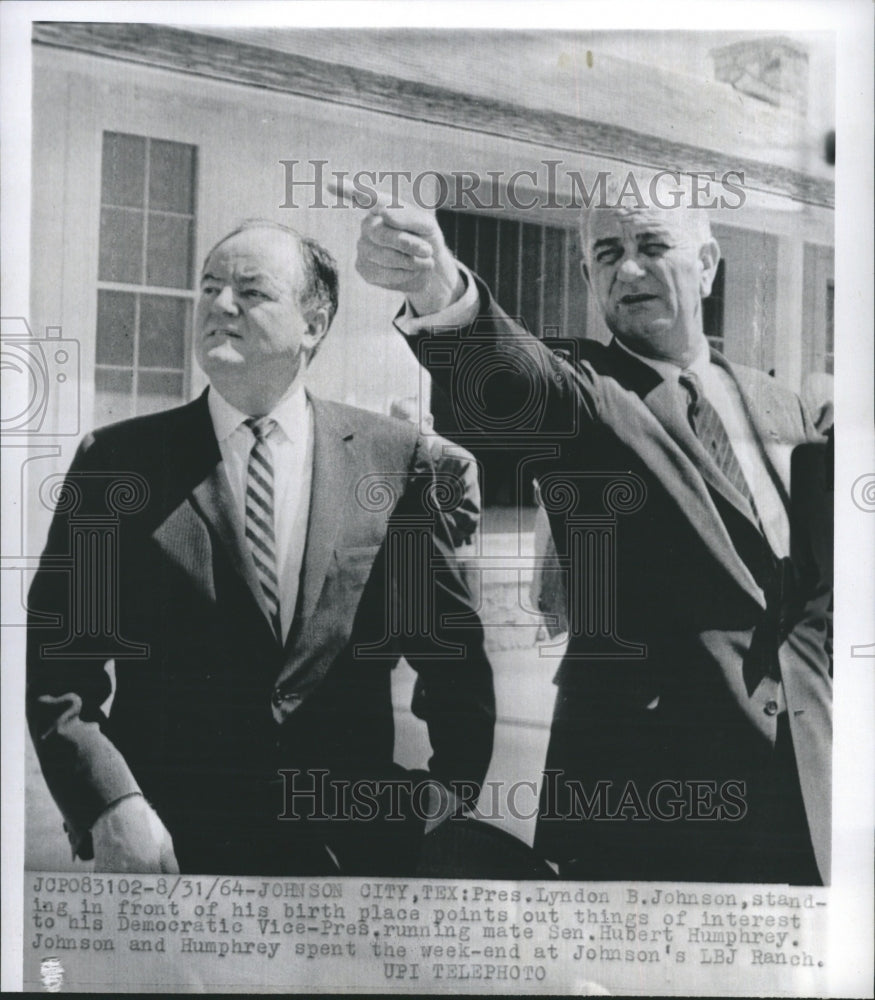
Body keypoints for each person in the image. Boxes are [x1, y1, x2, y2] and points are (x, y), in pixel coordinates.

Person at [351, 188, 832, 885]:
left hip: (808, 783)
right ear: (586, 278)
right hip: (655, 803)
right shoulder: (589, 391)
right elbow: (514, 381)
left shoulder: (776, 403)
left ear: (706, 264)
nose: (627, 270)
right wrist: (439, 288)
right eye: (606, 254)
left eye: (650, 247)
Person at [27, 220, 495, 876]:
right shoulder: (118, 463)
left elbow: (450, 656)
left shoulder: (394, 460)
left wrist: (451, 794)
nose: (219, 306)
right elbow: (59, 668)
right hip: (168, 852)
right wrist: (109, 805)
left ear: (313, 323)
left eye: (251, 292)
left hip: (351, 852)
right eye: (210, 288)